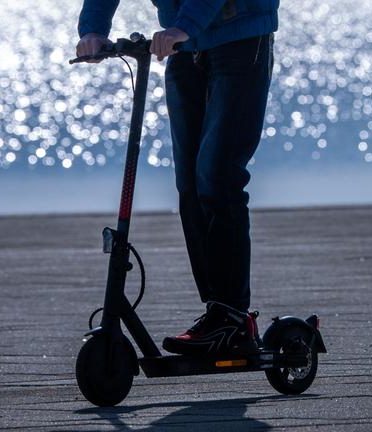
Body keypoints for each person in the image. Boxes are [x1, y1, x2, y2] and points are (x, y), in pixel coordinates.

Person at [76, 0, 278, 356]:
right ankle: (219, 313)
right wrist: (93, 29)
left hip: (239, 39)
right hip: (186, 49)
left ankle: (231, 316)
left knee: (217, 177)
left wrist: (183, 27)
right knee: (190, 186)